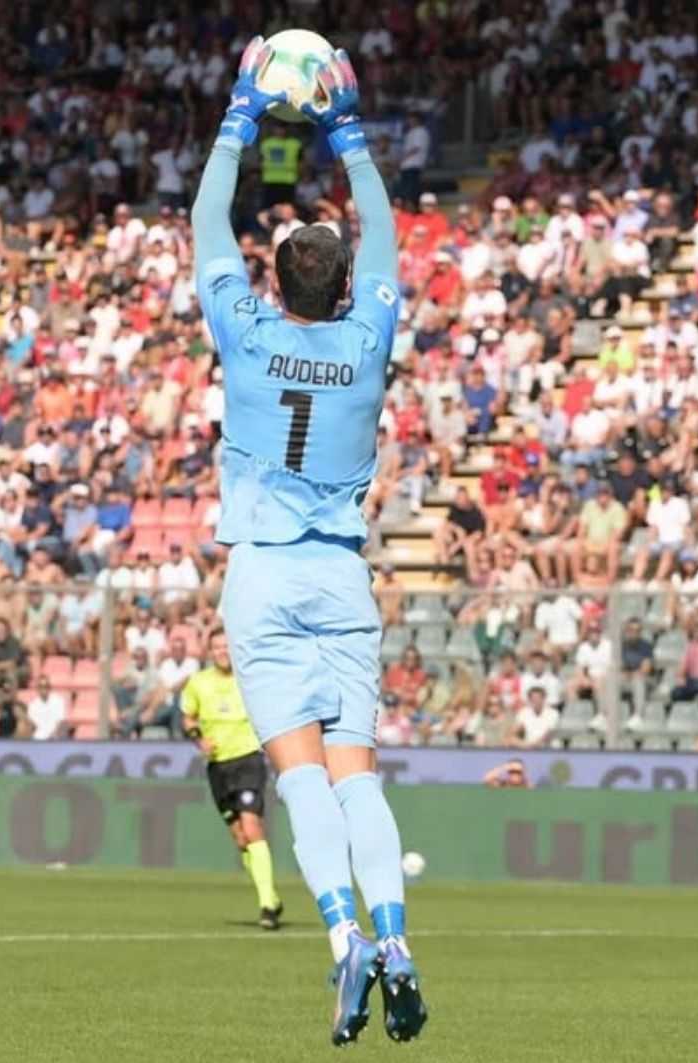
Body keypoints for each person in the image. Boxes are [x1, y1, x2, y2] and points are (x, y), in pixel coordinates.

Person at [193, 40, 424, 1045]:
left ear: (275, 276)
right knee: (356, 774)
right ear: (340, 282)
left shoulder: (244, 327)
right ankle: (400, 941)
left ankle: (344, 945)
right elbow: (386, 240)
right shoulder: (369, 335)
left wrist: (243, 115)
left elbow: (206, 218)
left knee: (297, 779)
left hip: (263, 576)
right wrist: (349, 130)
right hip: (341, 573)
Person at [178, 630, 283, 930]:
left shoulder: (250, 679)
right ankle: (272, 896)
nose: (222, 651)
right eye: (217, 646)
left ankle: (266, 906)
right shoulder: (198, 682)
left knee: (252, 827)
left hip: (248, 759)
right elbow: (188, 718)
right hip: (218, 767)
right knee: (239, 837)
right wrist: (198, 739)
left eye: (226, 645)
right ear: (210, 651)